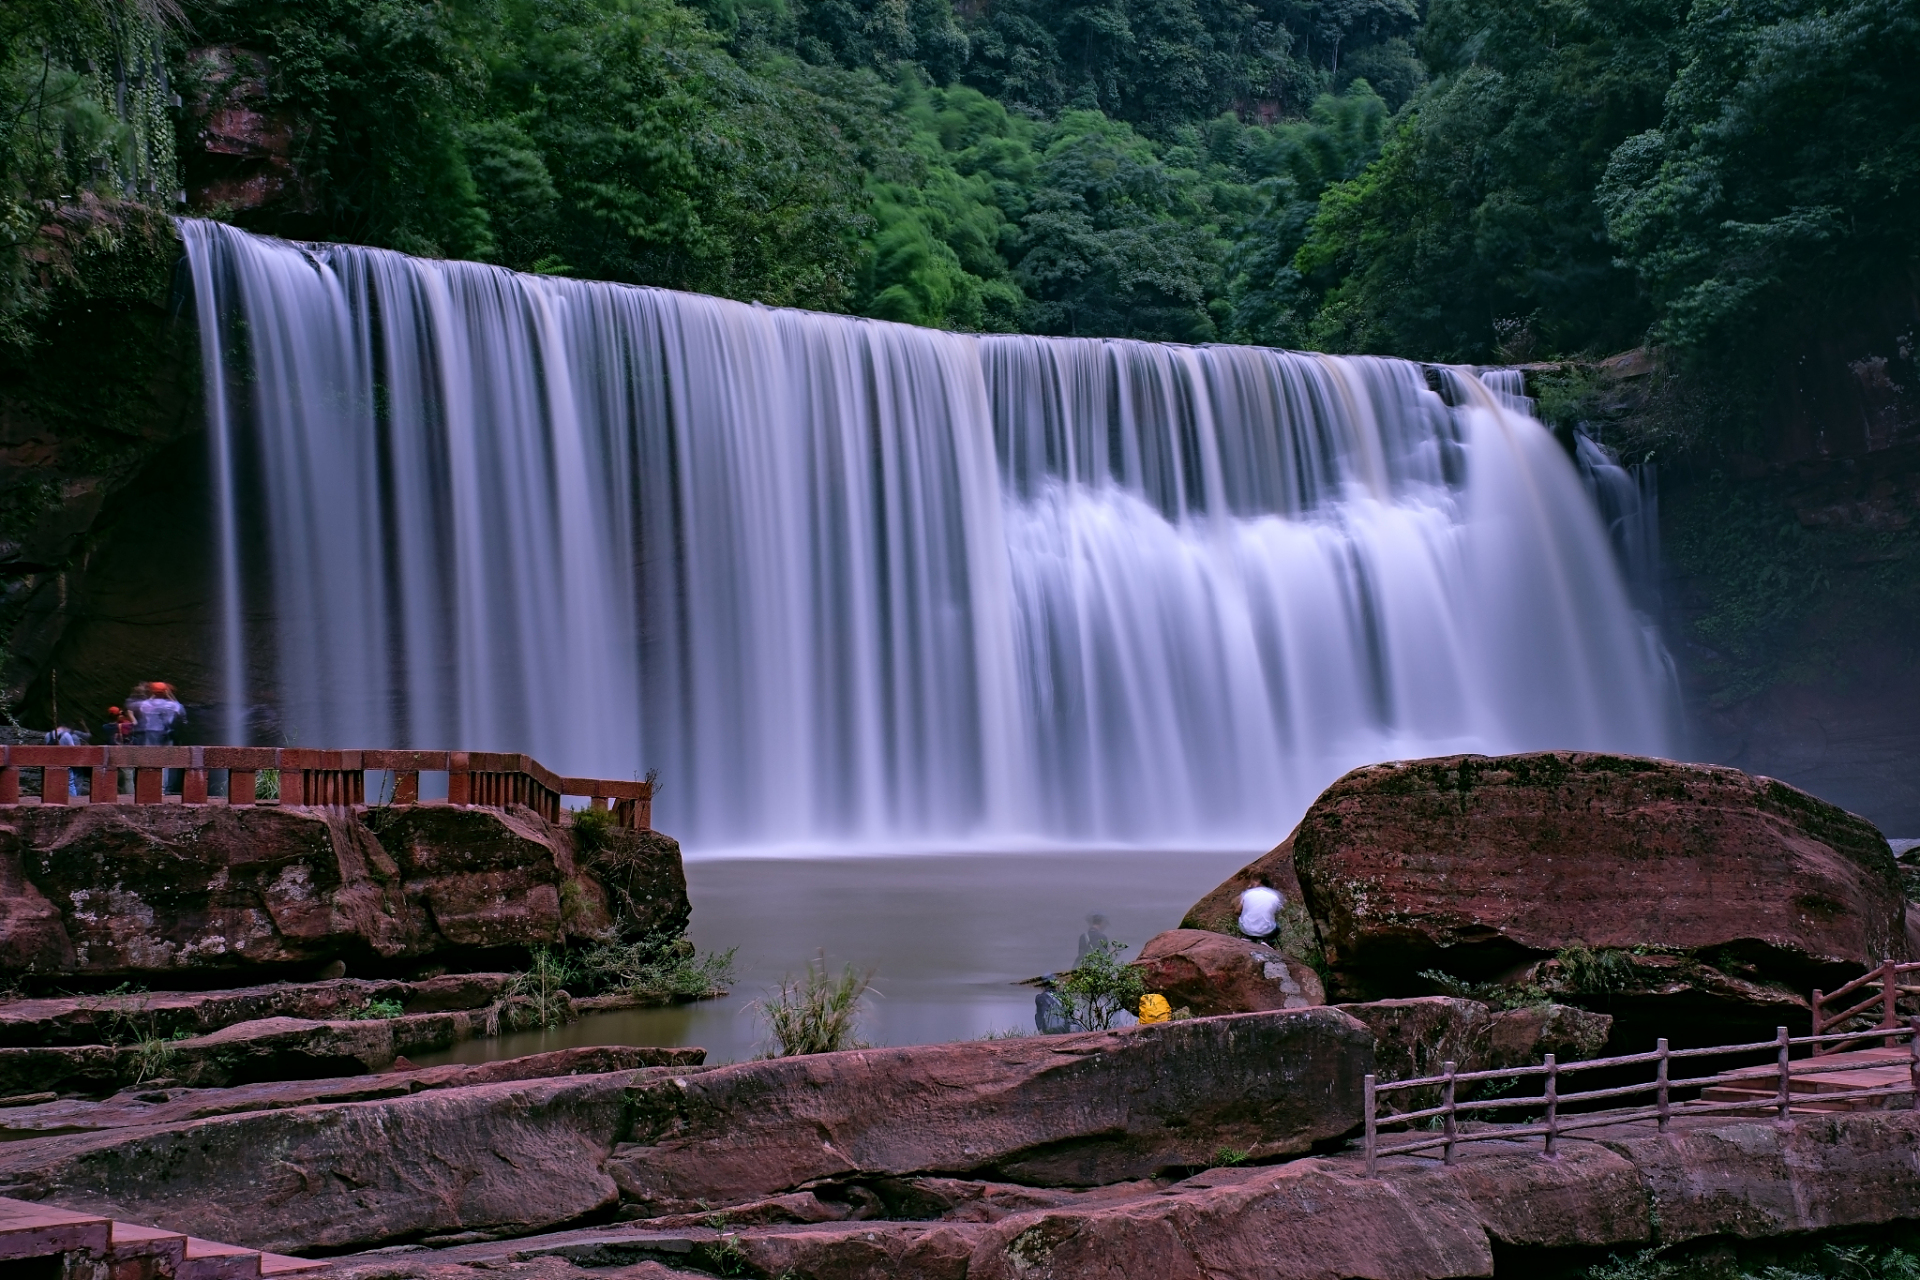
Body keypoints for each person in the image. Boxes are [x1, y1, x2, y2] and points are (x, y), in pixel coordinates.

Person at [1237, 875, 1284, 942]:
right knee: (1277, 928)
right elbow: (1275, 913)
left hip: (1246, 929)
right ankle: (1267, 941)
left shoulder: (1248, 893)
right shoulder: (1275, 895)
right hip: (1266, 931)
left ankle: (1249, 938)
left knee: (1245, 919)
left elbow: (1237, 910)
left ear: (1260, 883)